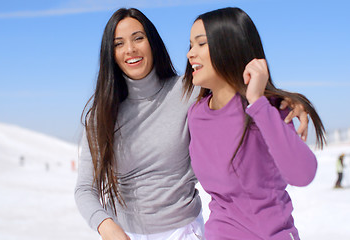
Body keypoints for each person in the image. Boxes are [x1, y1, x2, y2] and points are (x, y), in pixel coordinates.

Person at [74, 8, 311, 240]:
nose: (130, 49)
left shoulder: (189, 90)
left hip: (184, 231)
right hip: (125, 233)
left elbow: (233, 83)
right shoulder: (101, 115)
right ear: (110, 53)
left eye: (138, 38)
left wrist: (282, 100)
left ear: (152, 43)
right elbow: (85, 188)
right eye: (119, 44)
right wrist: (107, 227)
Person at [183, 7, 326, 240]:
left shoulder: (268, 108)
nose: (191, 53)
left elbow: (303, 174)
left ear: (229, 46)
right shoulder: (196, 114)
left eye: (201, 44)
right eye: (190, 45)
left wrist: (259, 103)